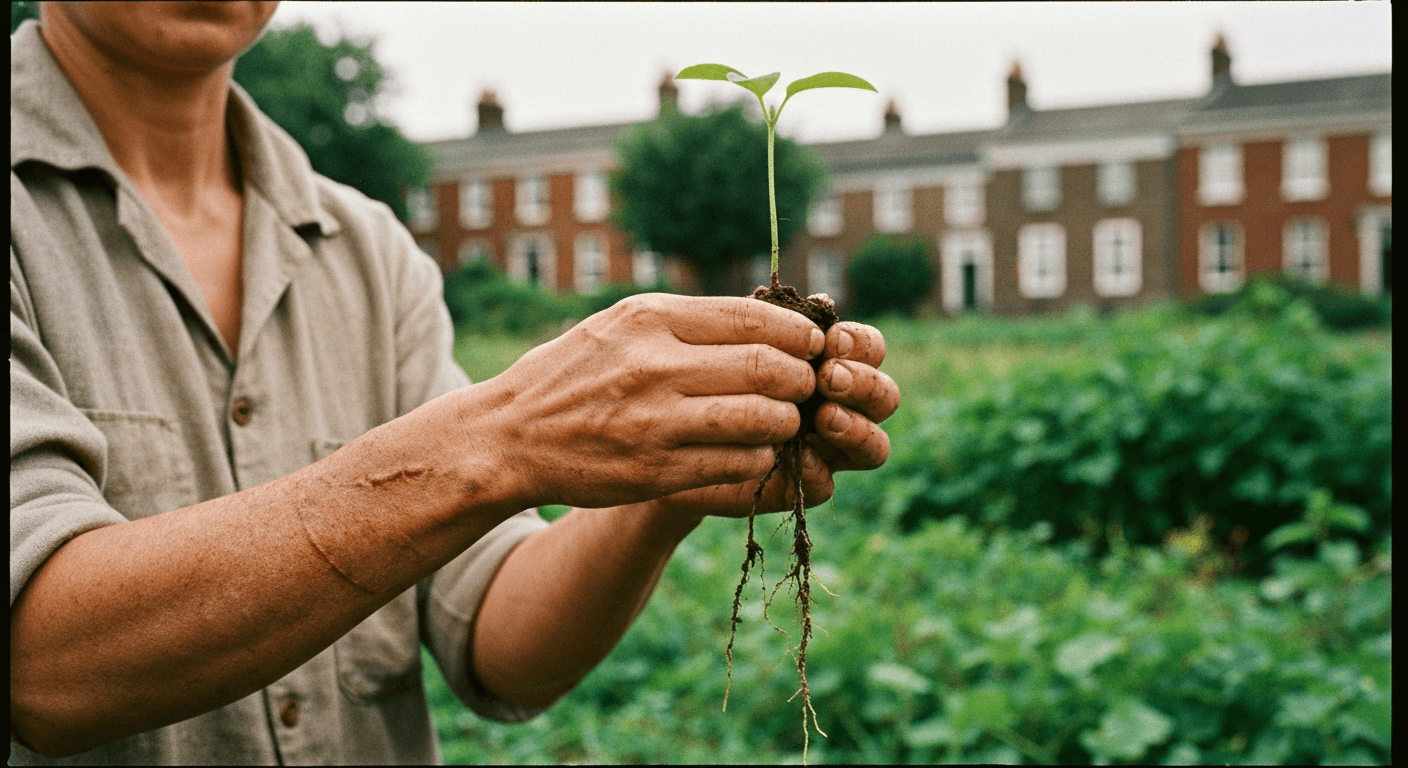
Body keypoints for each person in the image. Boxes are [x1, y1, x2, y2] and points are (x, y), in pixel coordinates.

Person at [9, 2, 900, 764]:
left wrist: (664, 487)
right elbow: (41, 663)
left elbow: (498, 639)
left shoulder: (368, 250)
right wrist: (499, 437)